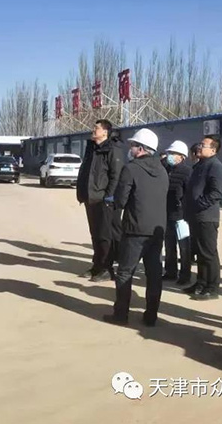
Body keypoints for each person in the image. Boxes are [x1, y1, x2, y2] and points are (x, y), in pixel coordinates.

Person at [103, 129, 168, 327]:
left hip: (135, 230)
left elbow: (121, 200)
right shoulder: (162, 170)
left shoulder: (131, 169)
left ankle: (121, 315)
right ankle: (151, 316)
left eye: (133, 145)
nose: (130, 149)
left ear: (140, 148)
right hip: (157, 229)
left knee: (125, 272)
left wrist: (112, 202)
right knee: (154, 274)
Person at [76, 120, 125, 282]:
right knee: (95, 234)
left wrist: (109, 196)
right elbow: (86, 172)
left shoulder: (113, 149)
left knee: (105, 236)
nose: (93, 130)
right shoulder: (92, 148)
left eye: (96, 128)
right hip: (90, 197)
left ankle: (106, 268)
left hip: (104, 199)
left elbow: (116, 176)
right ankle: (96, 265)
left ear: (105, 132)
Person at [183, 136, 222, 300]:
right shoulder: (200, 165)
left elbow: (217, 192)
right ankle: (200, 283)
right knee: (200, 252)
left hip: (206, 217)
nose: (199, 147)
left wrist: (199, 204)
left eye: (203, 145)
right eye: (200, 144)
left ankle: (212, 287)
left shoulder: (215, 166)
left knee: (208, 253)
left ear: (213, 150)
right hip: (195, 217)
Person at [161, 140, 193, 284]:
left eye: (173, 153)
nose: (170, 156)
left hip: (181, 215)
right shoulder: (164, 169)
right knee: (169, 244)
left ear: (182, 157)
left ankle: (185, 275)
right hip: (167, 213)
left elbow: (190, 194)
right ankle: (170, 272)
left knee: (184, 246)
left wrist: (184, 208)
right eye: (169, 153)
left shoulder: (187, 172)